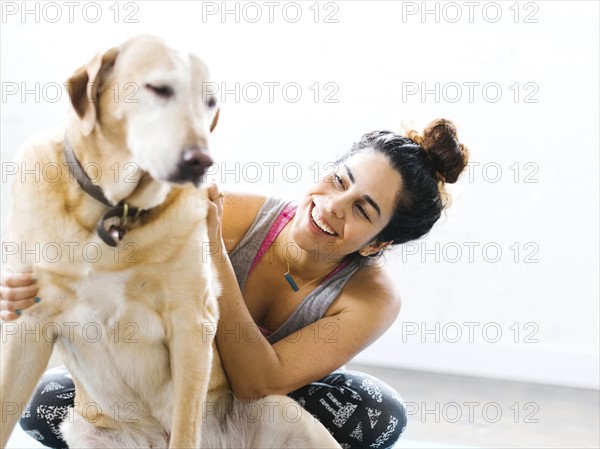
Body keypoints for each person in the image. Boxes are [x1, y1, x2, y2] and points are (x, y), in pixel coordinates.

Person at [0, 118, 469, 449]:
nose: (332, 206)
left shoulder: (373, 296)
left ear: (376, 245)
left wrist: (213, 251)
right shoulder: (242, 215)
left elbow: (257, 384)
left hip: (262, 397)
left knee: (379, 414)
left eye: (363, 209)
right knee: (48, 401)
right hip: (172, 382)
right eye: (337, 180)